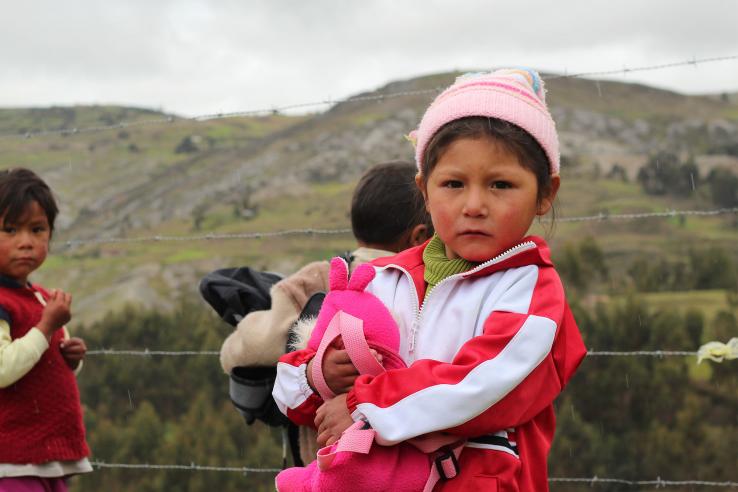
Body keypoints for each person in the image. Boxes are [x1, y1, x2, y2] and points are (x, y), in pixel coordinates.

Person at [273, 68, 587, 491]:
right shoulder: (384, 279)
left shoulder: (530, 291)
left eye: (501, 184)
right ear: (424, 189)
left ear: (545, 193)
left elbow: (483, 386)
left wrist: (365, 404)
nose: (474, 205)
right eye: (453, 183)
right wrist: (320, 375)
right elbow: (290, 393)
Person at [219, 160, 432, 464]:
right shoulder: (432, 284)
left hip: (327, 464)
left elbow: (251, 348)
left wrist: (312, 348)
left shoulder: (320, 278)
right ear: (420, 236)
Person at [0, 168, 92, 491]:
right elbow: (2, 369)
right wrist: (47, 326)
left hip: (43, 459)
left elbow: (41, 364)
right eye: (9, 230)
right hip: (10, 464)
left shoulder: (37, 296)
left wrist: (71, 359)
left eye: (37, 229)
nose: (25, 242)